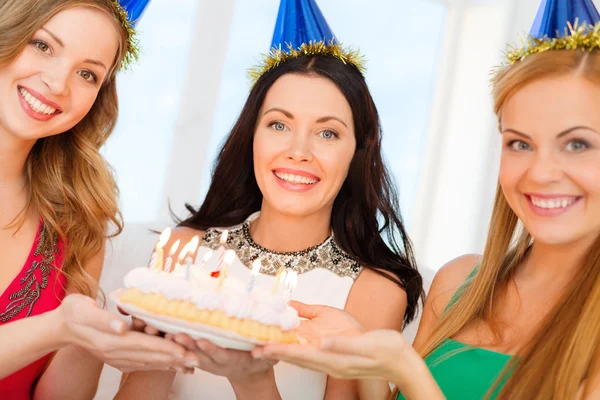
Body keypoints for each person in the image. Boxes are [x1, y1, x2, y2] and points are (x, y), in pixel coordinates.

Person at [256, 1, 600, 399]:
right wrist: (369, 360)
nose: (540, 172)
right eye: (520, 143)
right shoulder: (458, 285)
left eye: (577, 143)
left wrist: (404, 365)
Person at [116, 0, 422, 399]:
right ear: (252, 135)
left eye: (327, 133)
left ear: (359, 150)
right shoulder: (182, 249)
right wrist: (162, 351)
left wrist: (252, 379)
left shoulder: (373, 292)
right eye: (279, 124)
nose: (298, 151)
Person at [0, 1, 197, 398]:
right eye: (43, 46)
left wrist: (96, 338)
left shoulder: (79, 220)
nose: (58, 83)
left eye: (87, 73)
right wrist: (57, 327)